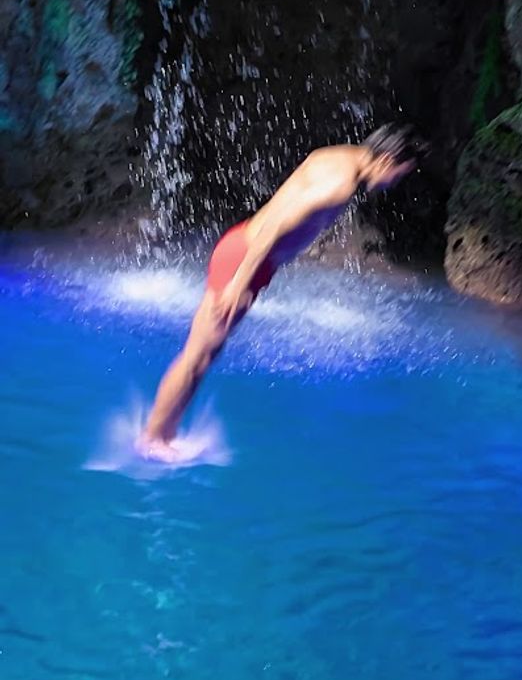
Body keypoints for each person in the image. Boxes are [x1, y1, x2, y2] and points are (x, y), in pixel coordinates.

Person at [138, 125, 426, 458]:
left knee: (204, 355)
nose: (393, 184)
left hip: (244, 248)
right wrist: (238, 285)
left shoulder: (339, 154)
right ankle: (152, 439)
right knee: (197, 357)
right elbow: (275, 228)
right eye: (398, 175)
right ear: (386, 159)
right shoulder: (339, 186)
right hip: (246, 261)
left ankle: (164, 433)